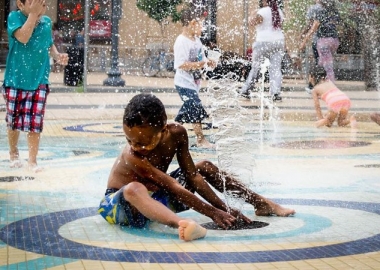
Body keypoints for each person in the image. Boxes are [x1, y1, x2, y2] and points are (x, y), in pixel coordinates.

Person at [98, 93, 295, 241]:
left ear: (163, 128)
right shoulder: (132, 156)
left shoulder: (177, 134)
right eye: (129, 140)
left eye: (143, 142)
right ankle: (182, 225)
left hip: (155, 203)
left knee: (204, 167)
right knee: (134, 188)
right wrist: (212, 212)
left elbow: (193, 176)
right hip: (121, 207)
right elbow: (173, 186)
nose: (135, 146)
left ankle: (261, 203)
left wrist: (224, 208)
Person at [2, 0, 68, 172]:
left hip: (39, 80)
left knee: (35, 122)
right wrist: (32, 14)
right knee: (14, 121)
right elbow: (23, 37)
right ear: (21, 4)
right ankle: (14, 153)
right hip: (15, 80)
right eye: (33, 3)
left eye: (42, 3)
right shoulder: (14, 17)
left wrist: (57, 54)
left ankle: (32, 161)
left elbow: (48, 44)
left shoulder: (46, 22)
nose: (40, 6)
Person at [173, 6, 216, 148]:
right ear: (192, 23)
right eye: (201, 24)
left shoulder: (197, 40)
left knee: (187, 110)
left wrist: (208, 62)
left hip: (193, 83)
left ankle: (167, 134)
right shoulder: (181, 41)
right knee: (195, 107)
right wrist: (200, 64)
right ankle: (200, 139)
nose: (203, 28)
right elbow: (180, 64)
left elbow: (201, 58)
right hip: (183, 83)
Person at [240, 0, 285, 102]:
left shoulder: (263, 11)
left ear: (266, 1)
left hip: (263, 42)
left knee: (255, 67)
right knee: (275, 69)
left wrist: (252, 14)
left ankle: (246, 90)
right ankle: (275, 93)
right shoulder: (279, 11)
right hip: (278, 42)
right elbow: (279, 27)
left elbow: (252, 22)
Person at [300, 0, 341, 83]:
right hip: (334, 41)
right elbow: (339, 27)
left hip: (323, 42)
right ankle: (314, 85)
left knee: (327, 66)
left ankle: (330, 86)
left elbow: (314, 27)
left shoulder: (321, 11)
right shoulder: (335, 12)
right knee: (321, 64)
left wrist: (304, 41)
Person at [302, 0, 323, 93]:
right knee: (323, 63)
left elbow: (311, 24)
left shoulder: (314, 8)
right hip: (330, 40)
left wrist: (303, 35)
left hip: (317, 40)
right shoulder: (330, 7)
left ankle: (311, 85)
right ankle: (319, 86)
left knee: (317, 62)